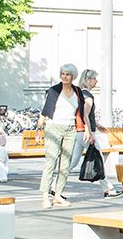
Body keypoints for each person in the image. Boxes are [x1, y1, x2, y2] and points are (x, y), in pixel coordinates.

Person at [36, 63, 90, 208]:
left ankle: (58, 195)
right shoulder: (54, 90)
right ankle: (44, 196)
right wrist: (39, 129)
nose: (65, 77)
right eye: (63, 74)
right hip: (53, 127)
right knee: (51, 162)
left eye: (67, 74)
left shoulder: (77, 92)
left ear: (73, 76)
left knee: (65, 165)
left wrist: (86, 129)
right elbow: (45, 111)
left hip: (70, 129)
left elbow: (82, 113)